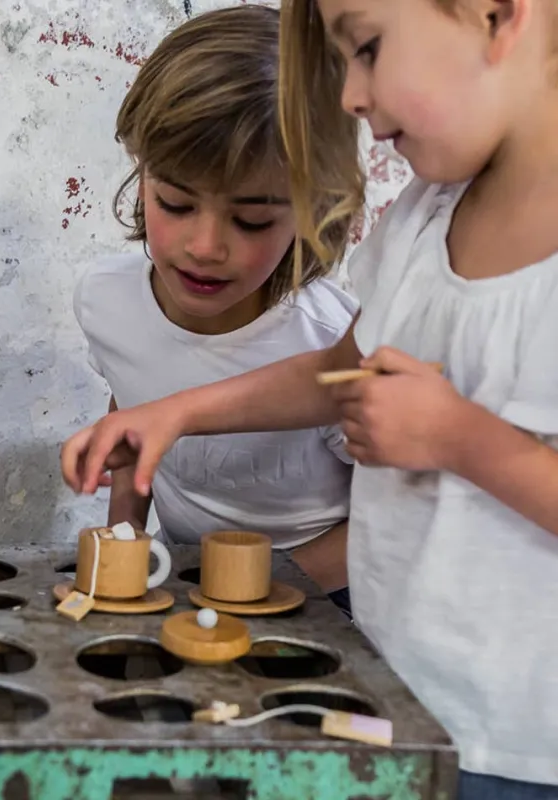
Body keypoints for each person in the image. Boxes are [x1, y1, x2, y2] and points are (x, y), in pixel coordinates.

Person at [62, 0, 558, 796]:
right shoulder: (424, 217)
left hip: (516, 741)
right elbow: (338, 370)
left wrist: (461, 439)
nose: (351, 98)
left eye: (366, 48)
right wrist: (176, 412)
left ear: (498, 15)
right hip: (389, 688)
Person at [73, 4, 363, 610]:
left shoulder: (330, 340)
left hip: (325, 594)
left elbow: (389, 517)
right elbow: (133, 408)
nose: (205, 247)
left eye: (252, 219)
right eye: (176, 204)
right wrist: (124, 539)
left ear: (311, 208)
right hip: (186, 578)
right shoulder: (105, 301)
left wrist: (254, 589)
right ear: (141, 172)